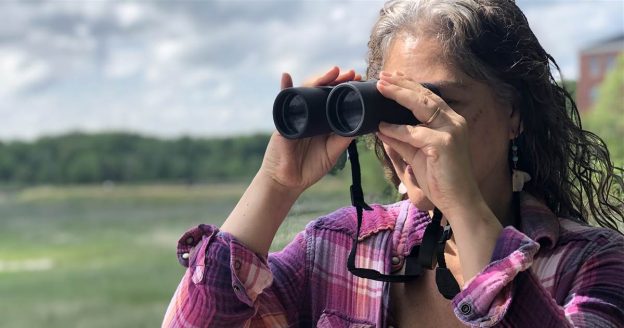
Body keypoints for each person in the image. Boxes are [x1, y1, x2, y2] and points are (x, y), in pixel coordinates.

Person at [162, 0, 624, 327]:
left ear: (514, 113)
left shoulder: (592, 264)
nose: (416, 129)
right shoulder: (338, 249)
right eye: (395, 106)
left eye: (437, 104)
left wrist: (464, 208)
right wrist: (275, 184)